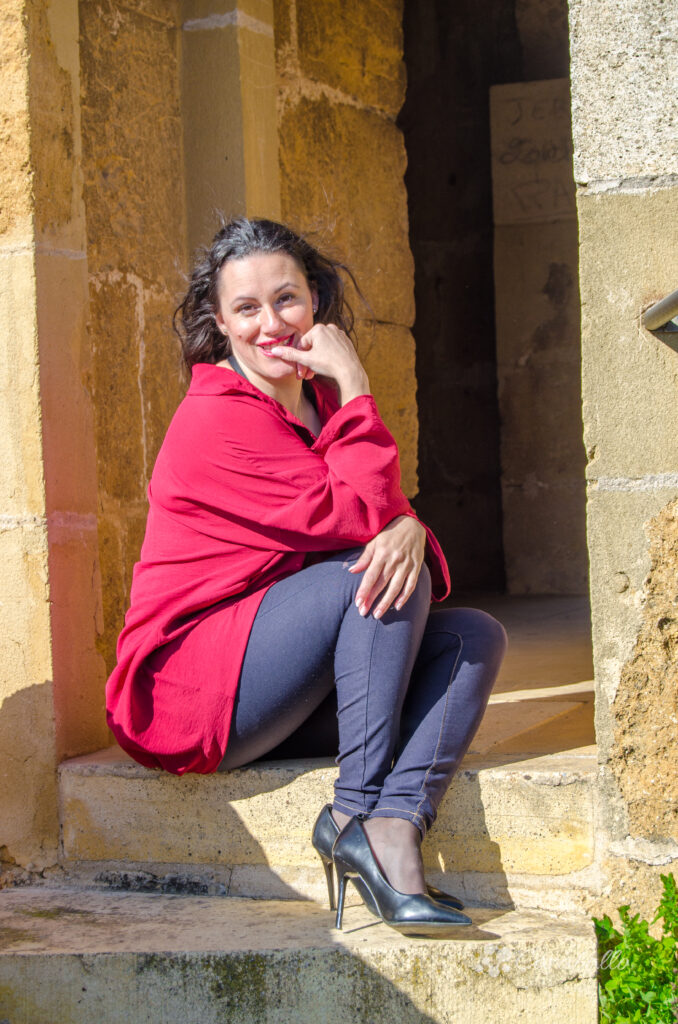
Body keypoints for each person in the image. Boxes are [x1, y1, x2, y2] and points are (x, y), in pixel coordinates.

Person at [105, 217, 508, 937]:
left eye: (286, 298)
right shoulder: (216, 419)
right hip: (191, 692)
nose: (270, 324)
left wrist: (404, 526)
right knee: (378, 574)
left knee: (472, 639)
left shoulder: (313, 404)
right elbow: (364, 517)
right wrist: (356, 382)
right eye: (246, 309)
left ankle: (394, 824)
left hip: (272, 676)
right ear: (220, 324)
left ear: (314, 298)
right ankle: (354, 815)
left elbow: (373, 515)